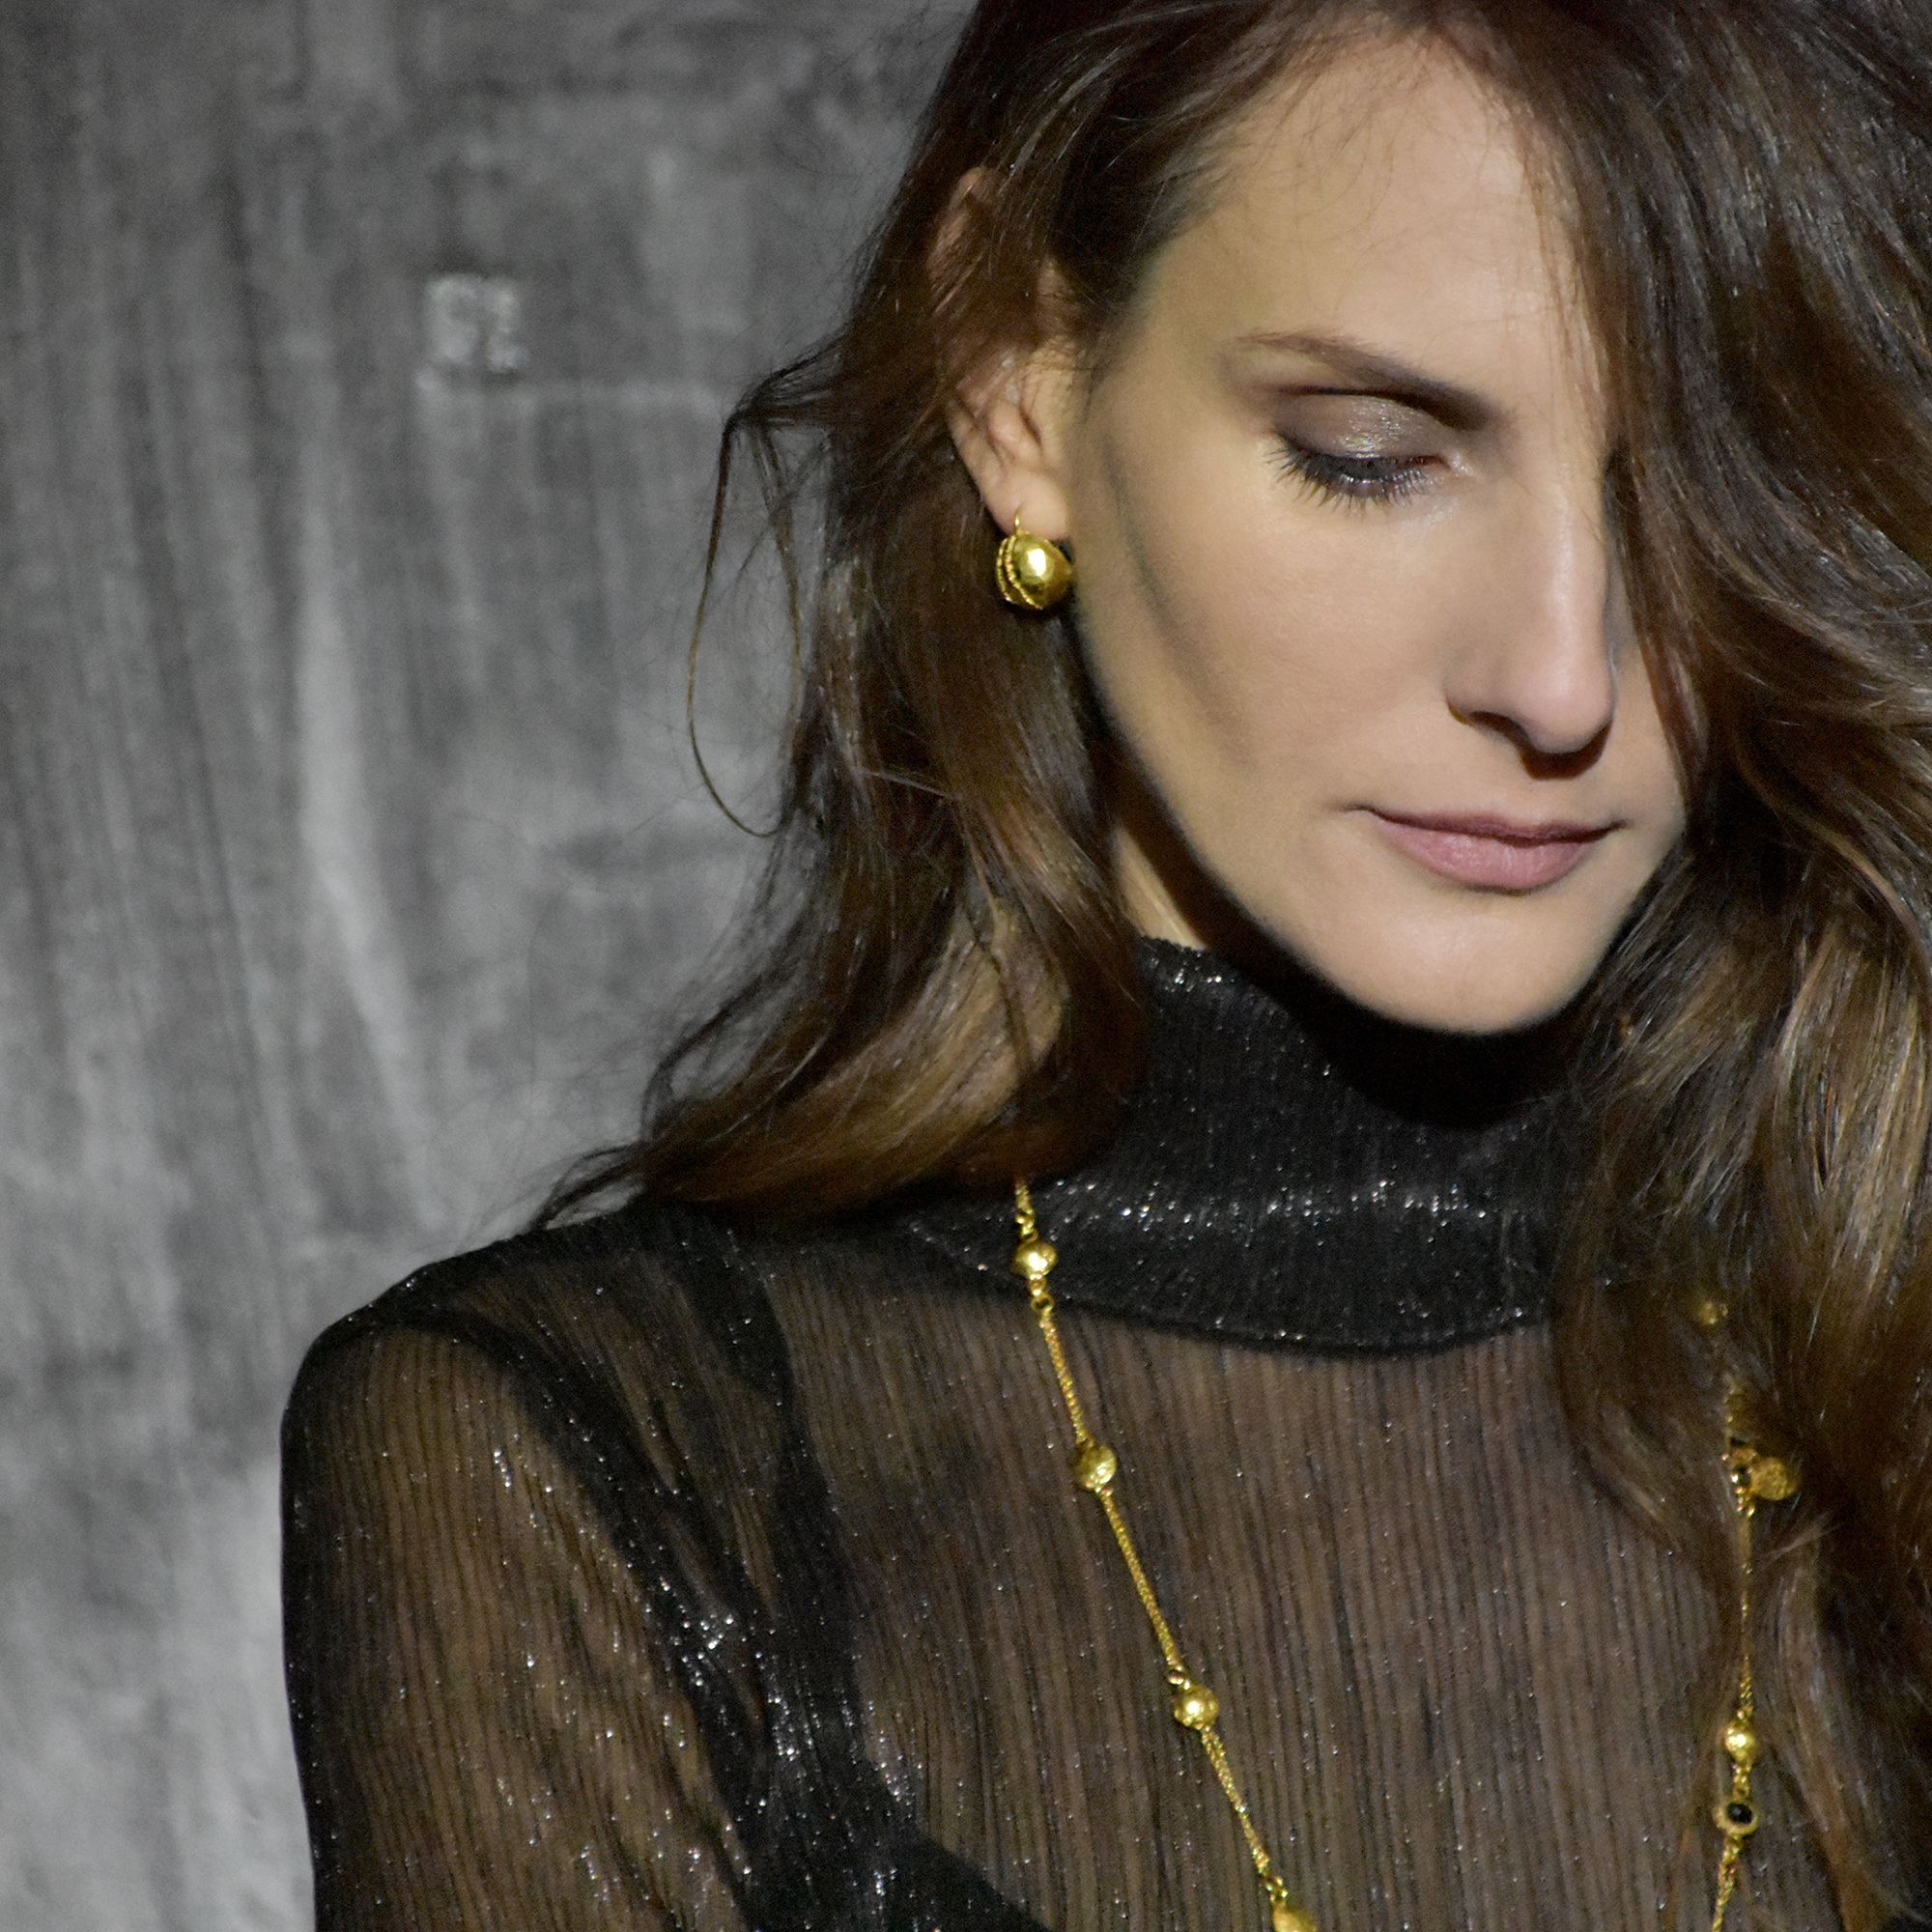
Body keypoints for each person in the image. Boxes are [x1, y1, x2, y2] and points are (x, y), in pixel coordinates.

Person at [278, 1, 1932, 1926]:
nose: (1561, 677)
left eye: (1711, 485)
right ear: (1017, 377)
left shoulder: (1873, 1370)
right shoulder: (596, 1472)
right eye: (1370, 457)